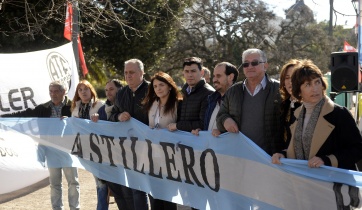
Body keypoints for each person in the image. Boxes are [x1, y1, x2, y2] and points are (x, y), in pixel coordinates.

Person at [2, 81, 80, 210]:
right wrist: (2, 118)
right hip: (50, 150)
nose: (53, 94)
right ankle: (57, 208)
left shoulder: (73, 106)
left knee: (73, 182)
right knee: (55, 184)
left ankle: (75, 208)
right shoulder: (43, 108)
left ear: (63, 91)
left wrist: (71, 121)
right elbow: (23, 114)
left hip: (68, 150)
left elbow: (82, 122)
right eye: (51, 91)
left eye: (56, 91)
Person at [272, 59, 362, 170]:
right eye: (308, 85)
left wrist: (327, 160)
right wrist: (283, 155)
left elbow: (357, 149)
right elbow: (298, 148)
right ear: (298, 91)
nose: (315, 89)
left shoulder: (339, 113)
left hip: (333, 183)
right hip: (305, 182)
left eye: (317, 82)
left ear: (323, 85)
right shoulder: (296, 115)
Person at [216, 48, 282, 155]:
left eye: (254, 63)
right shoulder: (233, 91)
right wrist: (225, 120)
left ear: (265, 66)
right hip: (240, 155)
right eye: (246, 64)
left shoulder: (279, 89)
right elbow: (220, 117)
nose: (250, 67)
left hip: (270, 159)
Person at [109, 58, 152, 210]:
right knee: (137, 189)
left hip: (152, 148)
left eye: (132, 72)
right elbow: (112, 115)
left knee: (154, 192)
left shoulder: (152, 90)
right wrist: (118, 117)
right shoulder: (121, 94)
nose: (128, 76)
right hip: (129, 149)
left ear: (142, 73)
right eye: (126, 72)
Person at [142, 71, 182, 210]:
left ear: (169, 86)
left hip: (171, 158)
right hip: (152, 157)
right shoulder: (151, 104)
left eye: (161, 85)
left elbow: (183, 129)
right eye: (155, 86)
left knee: (169, 198)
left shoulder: (179, 104)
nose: (158, 88)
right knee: (154, 197)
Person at [70, 80, 104, 209]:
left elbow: (108, 122)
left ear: (91, 91)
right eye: (80, 90)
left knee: (101, 183)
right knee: (99, 181)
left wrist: (99, 117)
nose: (83, 92)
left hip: (99, 149)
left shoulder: (100, 105)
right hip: (82, 149)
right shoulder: (75, 108)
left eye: (86, 89)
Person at [90, 79, 122, 210]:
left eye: (112, 89)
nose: (108, 92)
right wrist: (96, 121)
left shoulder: (126, 106)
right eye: (106, 90)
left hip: (124, 157)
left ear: (119, 90)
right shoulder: (102, 110)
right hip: (107, 157)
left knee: (124, 193)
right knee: (103, 187)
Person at [168, 57, 215, 132]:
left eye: (193, 71)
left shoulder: (209, 93)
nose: (190, 75)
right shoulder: (184, 92)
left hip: (199, 141)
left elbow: (204, 124)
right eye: (186, 71)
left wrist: (177, 126)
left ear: (202, 72)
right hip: (183, 140)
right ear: (183, 73)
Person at [191, 62, 239, 136]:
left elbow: (240, 129)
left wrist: (222, 132)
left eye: (218, 76)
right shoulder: (211, 99)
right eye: (214, 76)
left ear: (230, 77)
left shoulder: (240, 100)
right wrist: (201, 132)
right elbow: (208, 126)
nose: (214, 80)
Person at [279, 59, 302, 149]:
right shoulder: (283, 105)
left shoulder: (310, 105)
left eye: (294, 77)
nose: (290, 81)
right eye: (287, 78)